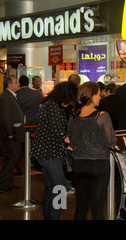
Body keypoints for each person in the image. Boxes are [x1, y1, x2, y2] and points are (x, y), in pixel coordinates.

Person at [67, 81, 116, 220]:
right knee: (97, 208)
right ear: (93, 96)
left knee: (81, 206)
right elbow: (111, 141)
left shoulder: (74, 116)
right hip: (99, 165)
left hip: (79, 165)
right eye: (99, 95)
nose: (100, 97)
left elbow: (71, 139)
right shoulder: (102, 116)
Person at [30, 81, 78, 220]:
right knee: (60, 188)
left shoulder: (50, 105)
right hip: (49, 153)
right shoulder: (53, 107)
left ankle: (50, 217)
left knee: (51, 189)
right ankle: (55, 217)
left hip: (46, 153)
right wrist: (72, 142)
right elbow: (59, 132)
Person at [0, 76, 25, 193]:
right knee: (12, 157)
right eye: (15, 82)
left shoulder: (10, 96)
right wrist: (10, 132)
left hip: (13, 134)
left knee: (12, 157)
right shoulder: (6, 97)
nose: (18, 84)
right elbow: (5, 116)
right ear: (9, 84)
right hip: (10, 135)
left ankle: (8, 182)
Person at [15, 75, 43, 174]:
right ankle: (34, 162)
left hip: (22, 124)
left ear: (19, 83)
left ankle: (23, 164)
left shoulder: (15, 95)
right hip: (35, 124)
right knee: (35, 144)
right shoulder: (37, 94)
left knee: (21, 146)